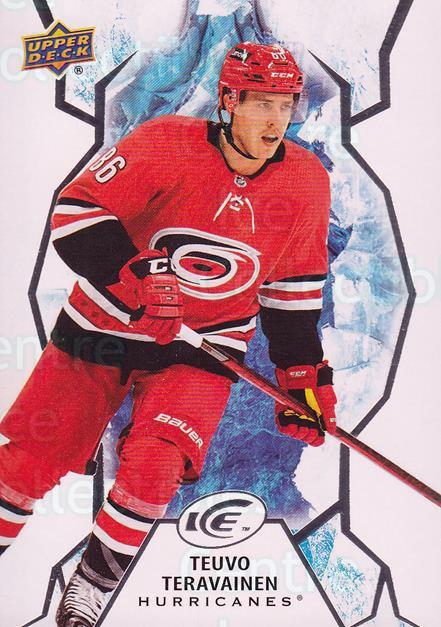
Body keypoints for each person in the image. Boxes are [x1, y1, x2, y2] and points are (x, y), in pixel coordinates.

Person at [0, 42, 337, 627]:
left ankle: (90, 589)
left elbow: (291, 293)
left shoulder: (306, 181)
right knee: (29, 461)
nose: (276, 120)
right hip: (104, 326)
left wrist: (303, 377)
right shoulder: (165, 143)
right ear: (228, 100)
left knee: (156, 466)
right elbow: (76, 212)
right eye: (262, 104)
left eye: (285, 105)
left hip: (204, 346)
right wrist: (138, 276)